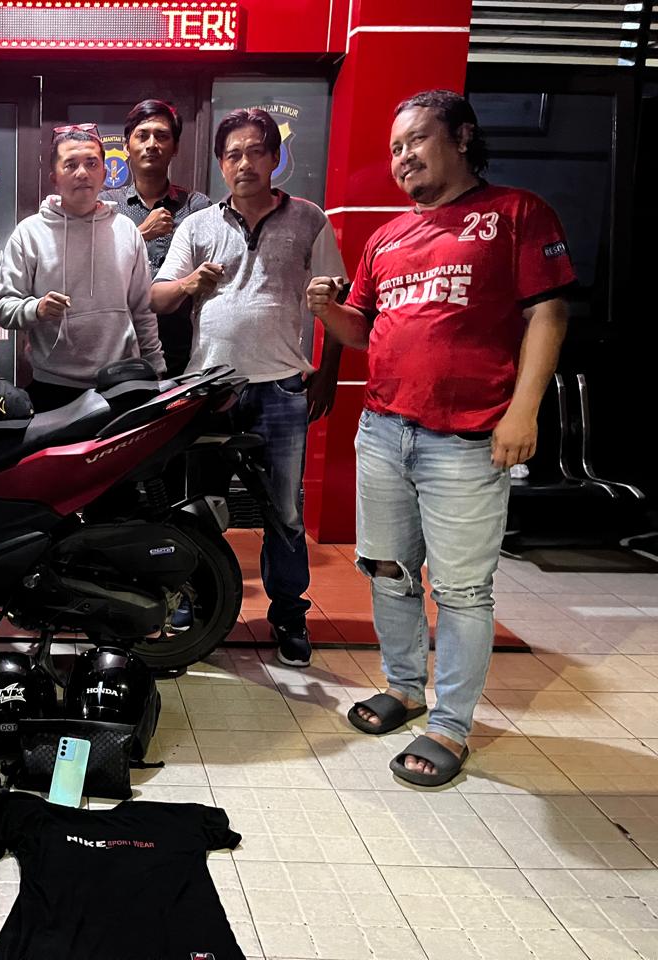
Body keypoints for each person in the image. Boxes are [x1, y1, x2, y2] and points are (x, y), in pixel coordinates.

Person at [307, 89, 573, 786]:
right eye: (395, 148)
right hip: (383, 429)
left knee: (461, 590)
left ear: (461, 137)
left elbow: (548, 314)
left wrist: (524, 411)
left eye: (416, 140)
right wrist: (326, 311)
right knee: (387, 572)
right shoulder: (387, 237)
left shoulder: (516, 213)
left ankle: (451, 724)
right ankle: (403, 688)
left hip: (469, 438)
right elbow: (361, 331)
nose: (403, 157)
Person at [152, 108, 345, 669]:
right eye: (233, 154)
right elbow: (158, 297)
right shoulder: (198, 225)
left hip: (280, 387)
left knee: (284, 511)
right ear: (220, 163)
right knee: (200, 508)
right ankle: (195, 605)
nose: (244, 163)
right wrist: (191, 283)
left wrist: (328, 371)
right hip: (208, 390)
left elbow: (334, 301)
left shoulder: (309, 219)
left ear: (274, 157)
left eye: (255, 151)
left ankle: (288, 616)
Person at [0, 126, 164, 412]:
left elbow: (143, 309)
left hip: (121, 382)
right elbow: (2, 306)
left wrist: (156, 368)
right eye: (70, 165)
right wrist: (37, 309)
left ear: (105, 174)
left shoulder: (127, 231)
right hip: (53, 385)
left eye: (91, 163)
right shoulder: (29, 233)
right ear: (54, 178)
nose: (82, 173)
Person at [100, 100, 212, 375]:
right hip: (116, 353)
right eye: (142, 135)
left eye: (162, 136)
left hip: (182, 354)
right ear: (127, 146)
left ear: (175, 147)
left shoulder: (197, 207)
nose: (152, 144)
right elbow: (91, 270)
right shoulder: (105, 206)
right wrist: (141, 234)